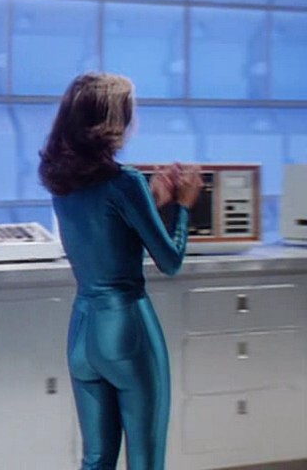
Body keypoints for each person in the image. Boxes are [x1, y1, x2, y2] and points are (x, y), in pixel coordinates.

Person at [38, 72, 202, 470]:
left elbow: (105, 230)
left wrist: (152, 200)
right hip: (127, 327)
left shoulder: (61, 183)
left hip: (82, 330)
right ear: (115, 120)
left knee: (96, 459)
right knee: (145, 459)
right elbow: (170, 261)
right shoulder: (125, 181)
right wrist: (182, 206)